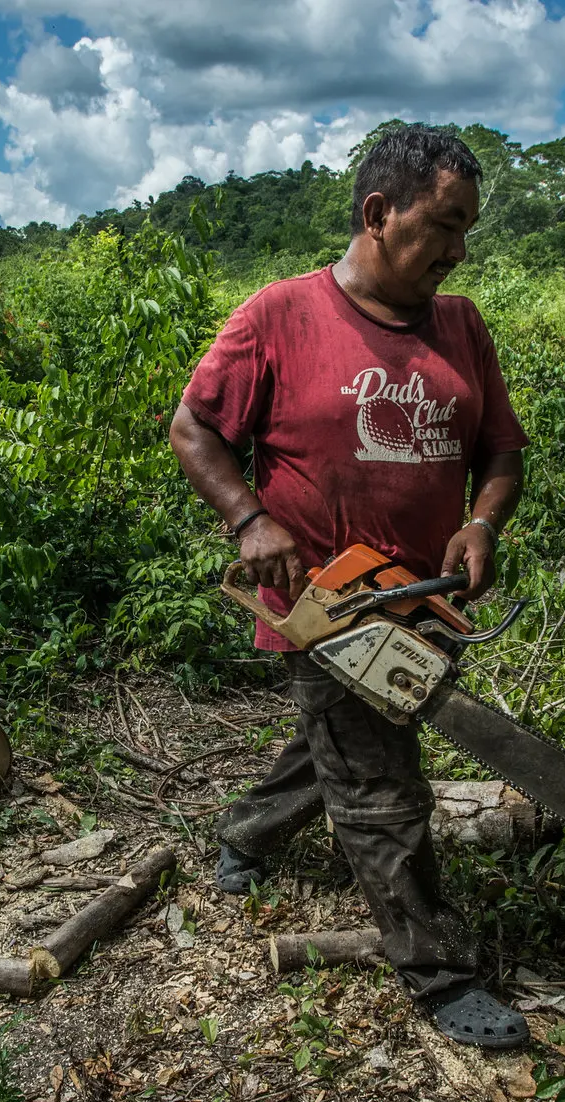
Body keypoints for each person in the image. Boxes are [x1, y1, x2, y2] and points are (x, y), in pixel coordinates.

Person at [168, 124, 530, 1051]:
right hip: (329, 602)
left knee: (344, 740)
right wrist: (251, 520)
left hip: (425, 597)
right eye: (445, 226)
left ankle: (247, 831)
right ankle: (438, 969)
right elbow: (194, 429)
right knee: (380, 787)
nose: (458, 250)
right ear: (379, 214)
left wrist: (481, 522)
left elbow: (500, 447)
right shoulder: (279, 316)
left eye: (467, 231)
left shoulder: (462, 325)